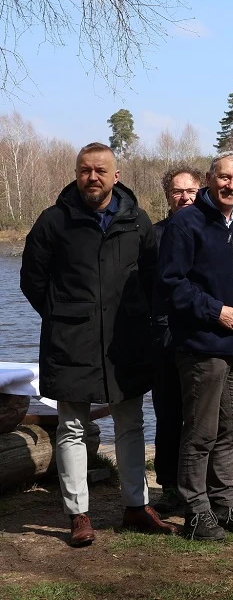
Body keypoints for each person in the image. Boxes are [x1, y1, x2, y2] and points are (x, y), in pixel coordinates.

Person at [20, 142, 177, 547]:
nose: (93, 177)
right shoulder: (55, 221)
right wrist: (65, 317)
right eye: (85, 170)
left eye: (101, 170)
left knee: (130, 423)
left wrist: (136, 318)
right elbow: (33, 279)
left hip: (126, 339)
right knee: (72, 426)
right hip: (71, 340)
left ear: (116, 176)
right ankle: (79, 514)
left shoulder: (137, 221)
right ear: (77, 174)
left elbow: (151, 277)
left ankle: (136, 507)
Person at [159, 151, 233, 541]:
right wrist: (215, 311)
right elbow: (173, 286)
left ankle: (224, 504)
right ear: (210, 178)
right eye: (224, 178)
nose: (231, 186)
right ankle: (196, 511)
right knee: (201, 431)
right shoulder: (185, 224)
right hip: (202, 345)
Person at [151, 166, 203, 516]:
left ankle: (202, 487)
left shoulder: (212, 230)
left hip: (203, 333)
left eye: (191, 192)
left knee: (201, 416)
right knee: (168, 415)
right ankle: (170, 486)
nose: (185, 197)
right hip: (164, 335)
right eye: (177, 191)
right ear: (167, 194)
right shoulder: (153, 235)